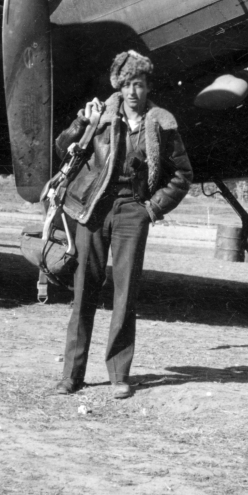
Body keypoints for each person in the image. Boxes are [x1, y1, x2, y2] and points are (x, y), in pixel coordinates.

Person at [53, 51, 192, 399]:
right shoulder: (99, 115)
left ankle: (119, 375)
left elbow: (182, 174)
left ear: (147, 88)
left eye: (140, 85)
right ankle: (72, 375)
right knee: (84, 289)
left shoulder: (161, 123)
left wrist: (152, 209)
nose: (133, 91)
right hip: (94, 209)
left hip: (134, 210)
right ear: (119, 85)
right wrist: (80, 124)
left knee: (125, 292)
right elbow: (61, 149)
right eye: (128, 84)